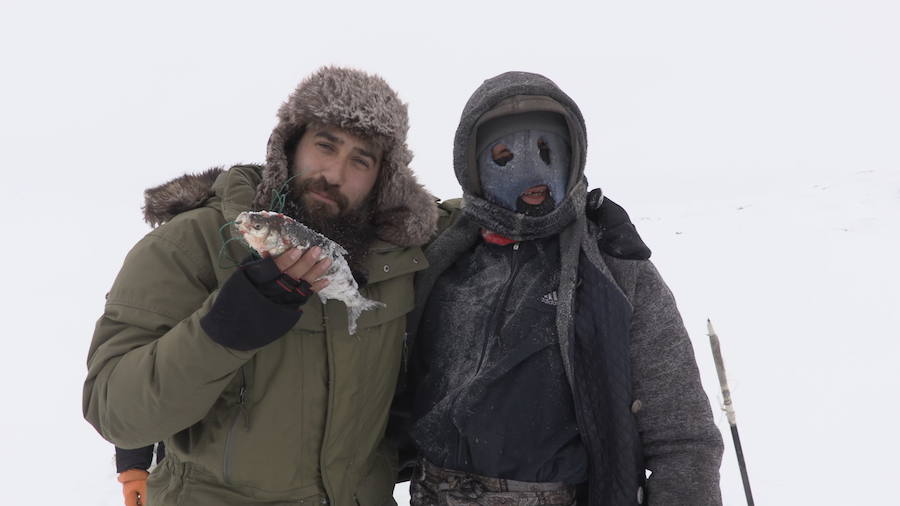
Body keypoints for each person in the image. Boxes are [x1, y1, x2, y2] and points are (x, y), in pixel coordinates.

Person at [83, 66, 439, 506]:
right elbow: (115, 410)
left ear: (383, 179)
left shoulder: (399, 259)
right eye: (325, 145)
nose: (334, 172)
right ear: (289, 146)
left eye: (360, 160)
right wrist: (226, 329)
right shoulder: (192, 243)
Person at [399, 71, 724, 505]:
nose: (531, 171)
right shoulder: (438, 263)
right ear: (472, 167)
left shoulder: (616, 271)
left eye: (546, 150)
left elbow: (683, 439)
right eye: (503, 155)